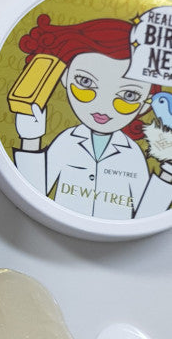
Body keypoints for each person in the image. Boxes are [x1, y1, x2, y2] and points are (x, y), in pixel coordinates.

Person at [13, 14, 172, 219]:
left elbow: (146, 216)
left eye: (128, 96)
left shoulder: (132, 154)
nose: (103, 106)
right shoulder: (66, 142)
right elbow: (33, 193)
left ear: (145, 104)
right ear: (64, 77)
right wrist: (30, 139)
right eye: (85, 83)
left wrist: (168, 173)